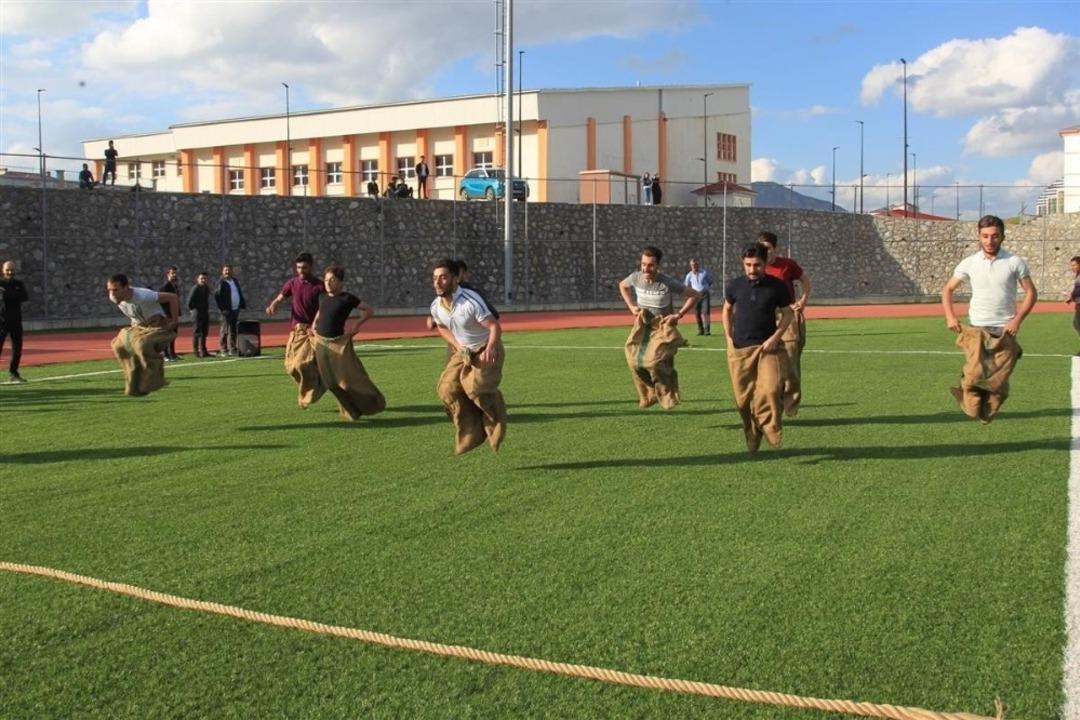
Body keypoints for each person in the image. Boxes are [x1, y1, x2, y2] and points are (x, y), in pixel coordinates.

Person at [942, 215, 1037, 423]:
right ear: (979, 236)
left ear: (1002, 236)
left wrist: (1017, 320)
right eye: (985, 236)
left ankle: (985, 408)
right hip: (977, 329)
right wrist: (950, 317)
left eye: (994, 236)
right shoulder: (970, 263)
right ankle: (967, 395)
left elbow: (1031, 292)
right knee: (975, 377)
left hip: (1006, 331)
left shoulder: (1014, 262)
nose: (989, 240)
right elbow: (947, 289)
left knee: (997, 387)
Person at [430, 258, 507, 454]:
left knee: (478, 388)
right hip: (463, 351)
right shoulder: (436, 306)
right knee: (446, 389)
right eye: (435, 278)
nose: (437, 283)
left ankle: (495, 420)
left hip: (486, 347)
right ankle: (471, 430)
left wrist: (491, 347)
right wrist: (458, 345)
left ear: (456, 279)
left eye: (443, 278)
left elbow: (494, 326)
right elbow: (441, 326)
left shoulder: (470, 301)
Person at [723, 244, 794, 453]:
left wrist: (775, 338)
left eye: (757, 265)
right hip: (739, 350)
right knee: (742, 400)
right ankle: (752, 431)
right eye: (748, 265)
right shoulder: (734, 285)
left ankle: (770, 425)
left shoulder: (777, 286)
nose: (752, 269)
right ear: (743, 264)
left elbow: (788, 314)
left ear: (765, 263)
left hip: (767, 349)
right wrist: (728, 337)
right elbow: (727, 309)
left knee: (771, 389)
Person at [617, 245, 700, 410]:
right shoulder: (636, 278)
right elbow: (622, 286)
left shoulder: (667, 282)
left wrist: (678, 314)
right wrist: (632, 306)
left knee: (654, 363)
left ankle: (668, 397)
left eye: (650, 265)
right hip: (643, 325)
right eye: (643, 264)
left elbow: (695, 295)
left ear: (658, 265)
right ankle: (648, 395)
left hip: (662, 328)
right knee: (632, 360)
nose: (646, 268)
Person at [305, 265, 386, 420]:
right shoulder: (322, 297)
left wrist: (356, 325)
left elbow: (369, 310)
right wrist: (313, 326)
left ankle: (374, 401)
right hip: (321, 343)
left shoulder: (347, 298)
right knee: (330, 383)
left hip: (339, 344)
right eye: (326, 280)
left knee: (347, 382)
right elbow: (319, 313)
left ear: (340, 282)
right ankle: (351, 411)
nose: (328, 283)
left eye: (332, 280)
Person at [758, 231, 812, 416]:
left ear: (775, 248)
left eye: (768, 248)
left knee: (790, 362)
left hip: (787, 317)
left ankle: (790, 402)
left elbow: (805, 279)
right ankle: (772, 402)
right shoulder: (757, 267)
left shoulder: (787, 265)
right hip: (765, 318)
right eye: (762, 248)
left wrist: (803, 300)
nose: (766, 252)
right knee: (767, 364)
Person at [267, 253, 326, 407]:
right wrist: (274, 304)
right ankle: (317, 383)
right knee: (290, 367)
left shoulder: (319, 286)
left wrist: (315, 324)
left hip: (311, 331)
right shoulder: (292, 283)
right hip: (295, 331)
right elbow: (281, 297)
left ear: (311, 267)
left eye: (304, 267)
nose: (301, 270)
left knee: (301, 364)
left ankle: (316, 388)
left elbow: (324, 307)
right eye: (299, 267)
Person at [106, 273, 179, 396]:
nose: (112, 293)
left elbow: (172, 297)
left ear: (126, 288)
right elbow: (133, 314)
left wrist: (174, 321)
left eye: (116, 290)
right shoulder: (115, 298)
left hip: (157, 323)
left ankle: (155, 379)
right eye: (109, 290)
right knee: (117, 345)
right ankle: (134, 384)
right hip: (139, 326)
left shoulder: (144, 296)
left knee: (142, 344)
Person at [0, 260, 29, 383]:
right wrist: (13, 295)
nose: (10, 272)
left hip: (16, 321)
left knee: (17, 349)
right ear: (3, 270)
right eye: (7, 270)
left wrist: (8, 294)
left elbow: (25, 296)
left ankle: (14, 373)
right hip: (1, 321)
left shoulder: (19, 283)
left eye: (12, 270)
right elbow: (5, 298)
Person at [215, 264, 245, 356]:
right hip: (226, 310)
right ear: (222, 272)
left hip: (235, 309)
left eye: (228, 270)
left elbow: (238, 292)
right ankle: (223, 349)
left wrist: (241, 304)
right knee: (224, 330)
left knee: (233, 329)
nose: (227, 272)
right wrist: (222, 309)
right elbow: (217, 296)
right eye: (225, 270)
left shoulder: (234, 281)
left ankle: (232, 348)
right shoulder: (221, 282)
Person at [684, 258, 714, 336]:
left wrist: (706, 288)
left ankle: (707, 330)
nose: (694, 266)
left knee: (706, 312)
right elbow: (686, 286)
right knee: (697, 313)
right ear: (690, 266)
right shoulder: (689, 275)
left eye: (695, 264)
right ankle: (700, 330)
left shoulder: (704, 272)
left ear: (698, 264)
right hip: (695, 295)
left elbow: (710, 281)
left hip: (705, 294)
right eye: (692, 265)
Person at [186, 271, 213, 357]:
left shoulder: (206, 288)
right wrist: (192, 309)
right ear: (197, 279)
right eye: (201, 278)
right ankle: (196, 351)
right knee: (197, 332)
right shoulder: (195, 288)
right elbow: (189, 301)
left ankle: (203, 351)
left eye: (205, 278)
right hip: (197, 313)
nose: (203, 280)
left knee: (204, 332)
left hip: (204, 312)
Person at [159, 266, 181, 361]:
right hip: (167, 315)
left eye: (175, 273)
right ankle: (165, 354)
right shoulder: (165, 287)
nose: (174, 275)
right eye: (172, 273)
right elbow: (161, 301)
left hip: (174, 314)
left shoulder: (174, 286)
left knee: (173, 334)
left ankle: (172, 353)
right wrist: (166, 314)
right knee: (166, 335)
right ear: (168, 274)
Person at [1066, 256, 1080, 342]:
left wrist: (1071, 295)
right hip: (1078, 304)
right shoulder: (1078, 276)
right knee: (1076, 324)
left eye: (1074, 265)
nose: (1072, 267)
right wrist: (1071, 297)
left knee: (1077, 324)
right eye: (1071, 265)